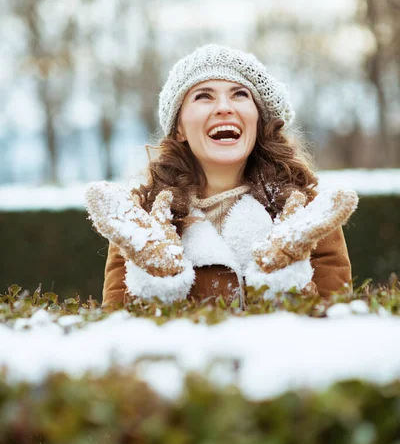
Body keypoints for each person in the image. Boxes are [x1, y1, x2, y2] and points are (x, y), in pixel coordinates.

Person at [85, 44, 358, 309]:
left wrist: (285, 285)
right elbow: (122, 333)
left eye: (240, 94)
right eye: (203, 96)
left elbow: (331, 327)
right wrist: (157, 290)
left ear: (259, 120)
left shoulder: (308, 215)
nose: (224, 107)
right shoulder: (142, 223)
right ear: (178, 127)